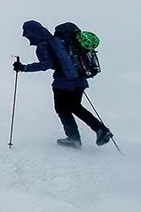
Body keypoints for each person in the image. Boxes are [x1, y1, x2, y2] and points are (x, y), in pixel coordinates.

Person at [13, 20, 114, 149]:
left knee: (62, 108)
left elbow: (46, 65)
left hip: (63, 83)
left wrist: (24, 68)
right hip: (81, 80)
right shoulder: (64, 41)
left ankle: (74, 138)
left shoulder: (45, 45)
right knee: (75, 107)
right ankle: (101, 130)